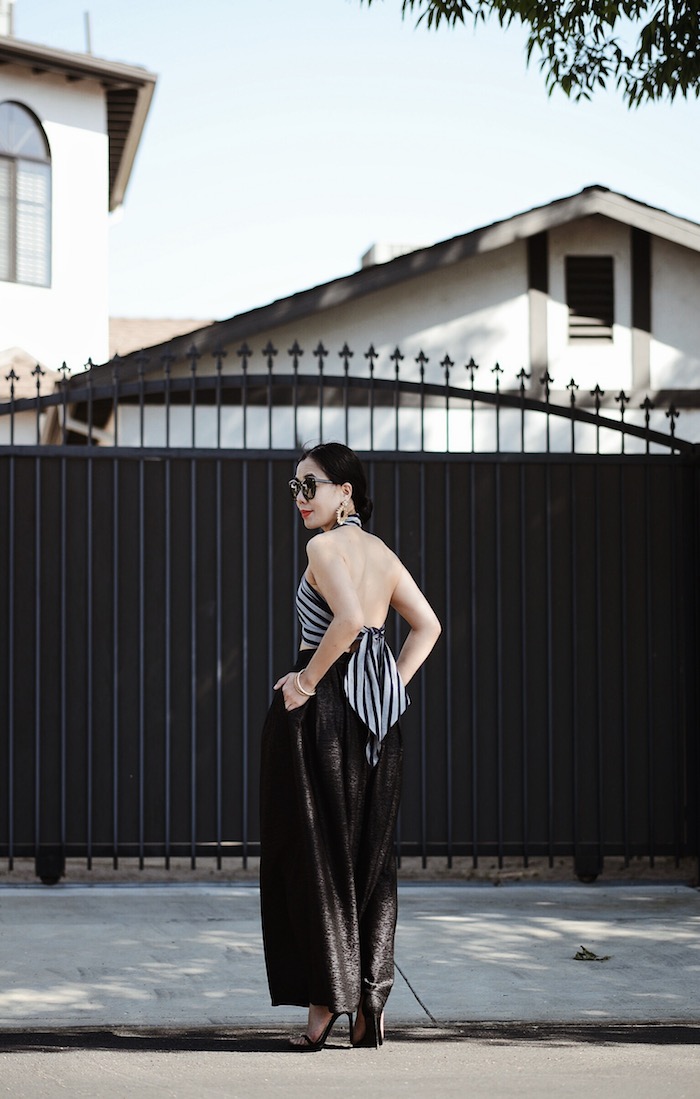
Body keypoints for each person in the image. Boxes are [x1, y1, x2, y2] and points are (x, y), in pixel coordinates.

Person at [259, 442, 441, 1051]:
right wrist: (389, 686)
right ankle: (369, 1004)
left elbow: (347, 621)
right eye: (295, 487)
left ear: (346, 492)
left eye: (310, 486)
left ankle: (323, 1007)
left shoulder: (324, 547)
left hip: (325, 719)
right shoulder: (382, 554)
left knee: (315, 857)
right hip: (378, 724)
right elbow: (428, 626)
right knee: (371, 860)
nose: (300, 499)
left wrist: (306, 683)